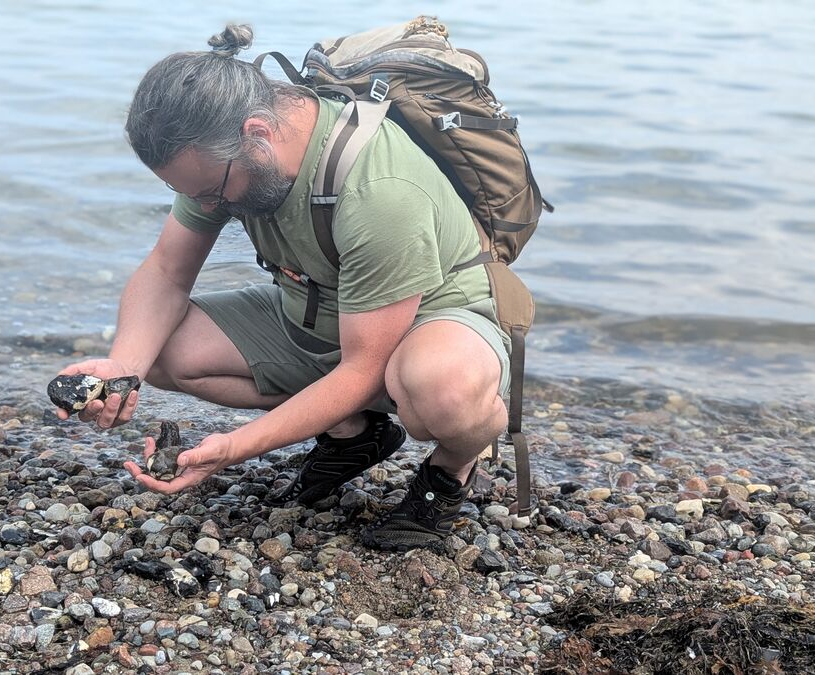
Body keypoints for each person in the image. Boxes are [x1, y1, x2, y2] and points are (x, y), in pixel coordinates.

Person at [54, 24, 517, 551]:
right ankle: (356, 435)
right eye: (185, 191)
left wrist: (234, 447)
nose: (206, 206)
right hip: (317, 312)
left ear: (258, 134)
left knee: (443, 390)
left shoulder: (379, 191)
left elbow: (363, 369)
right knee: (160, 351)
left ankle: (451, 469)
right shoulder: (217, 161)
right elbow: (165, 272)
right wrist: (122, 369)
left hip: (429, 320)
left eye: (210, 191)